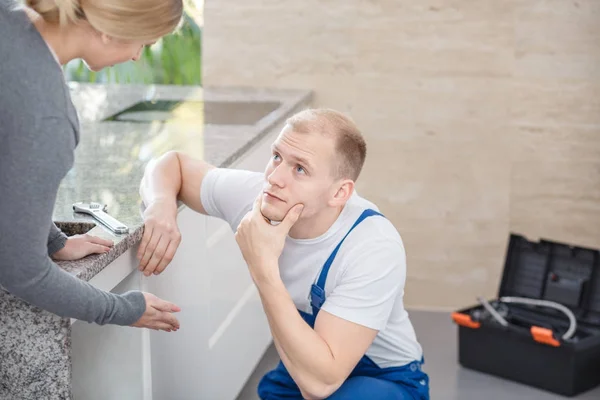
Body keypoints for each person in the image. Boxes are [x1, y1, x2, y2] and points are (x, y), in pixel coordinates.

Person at [139, 108, 430, 399]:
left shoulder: (372, 247)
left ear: (340, 193)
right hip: (310, 365)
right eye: (277, 156)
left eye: (300, 168)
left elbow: (320, 386)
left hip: (384, 380)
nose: (275, 177)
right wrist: (160, 205)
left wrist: (262, 266)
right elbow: (171, 164)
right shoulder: (262, 195)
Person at [0, 0, 183, 332]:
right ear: (109, 31)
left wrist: (52, 241)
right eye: (143, 42)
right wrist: (120, 308)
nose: (137, 56)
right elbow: (21, 271)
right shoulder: (48, 117)